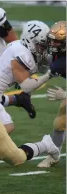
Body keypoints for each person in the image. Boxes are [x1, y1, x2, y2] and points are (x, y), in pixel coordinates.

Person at [37, 21, 66, 168]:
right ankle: (54, 156)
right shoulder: (60, 58)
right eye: (52, 41)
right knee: (60, 124)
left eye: (57, 42)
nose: (53, 45)